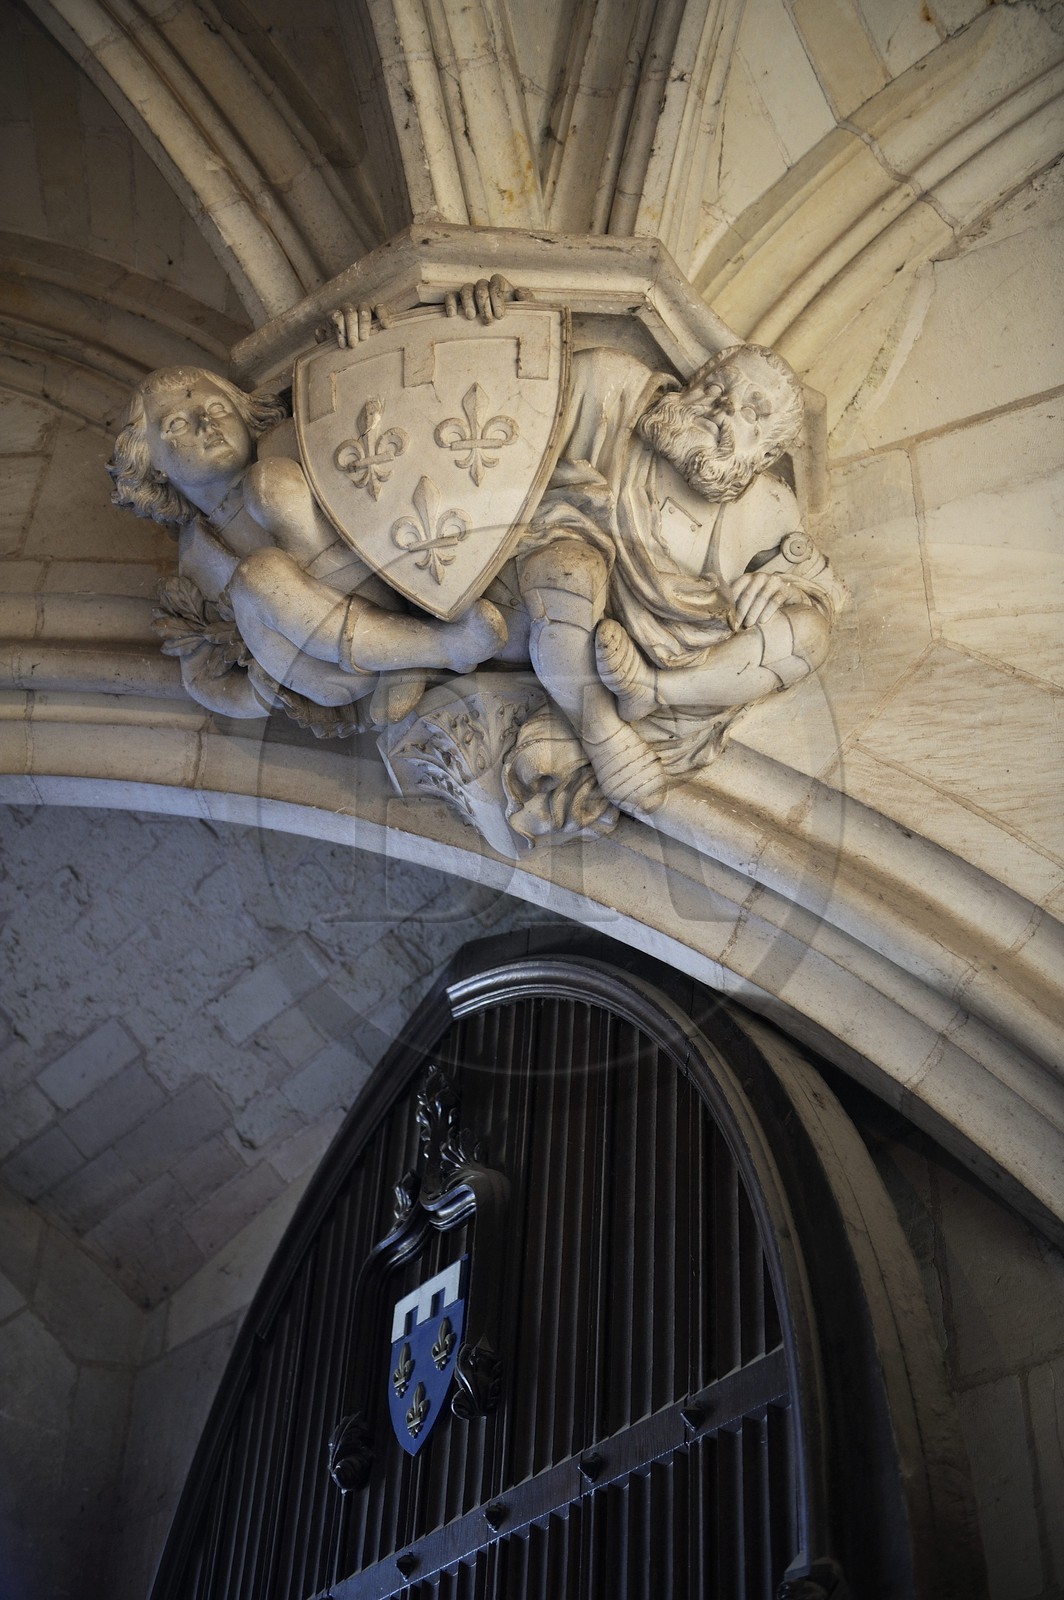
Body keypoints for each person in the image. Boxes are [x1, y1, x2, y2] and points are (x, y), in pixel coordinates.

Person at [484, 335, 840, 814]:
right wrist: (499, 324)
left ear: (767, 454)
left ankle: (652, 692)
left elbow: (827, 593)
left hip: (678, 654)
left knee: (810, 636)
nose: (727, 406)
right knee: (568, 566)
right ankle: (604, 734)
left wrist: (783, 584)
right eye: (718, 387)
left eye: (754, 412)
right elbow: (512, 401)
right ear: (693, 383)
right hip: (547, 606)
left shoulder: (770, 508)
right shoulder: (614, 394)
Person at [108, 365, 507, 722]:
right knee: (260, 575)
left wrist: (359, 332)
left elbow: (388, 409)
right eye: (176, 424)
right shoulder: (194, 568)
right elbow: (203, 683)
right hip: (334, 674)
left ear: (246, 418)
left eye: (218, 409)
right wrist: (263, 688)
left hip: (406, 576)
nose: (206, 425)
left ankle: (408, 651)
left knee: (272, 484)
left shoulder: (300, 443)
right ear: (151, 463)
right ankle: (436, 649)